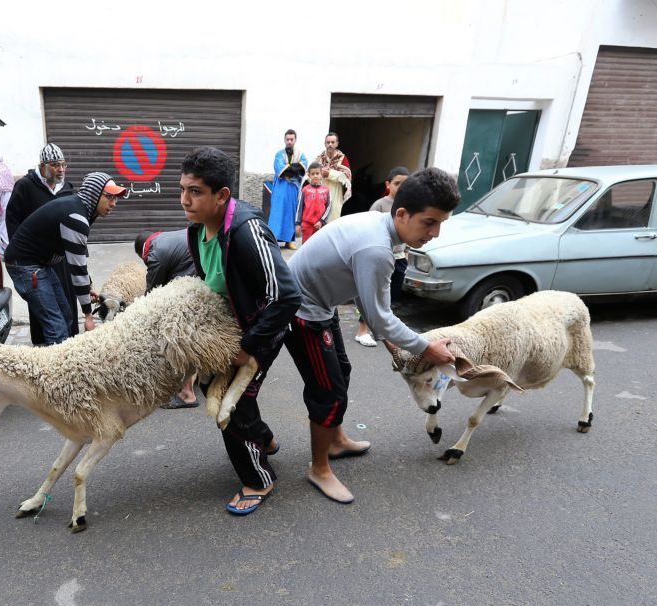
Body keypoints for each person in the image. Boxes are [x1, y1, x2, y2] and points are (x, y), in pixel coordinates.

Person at [283, 167, 460, 503]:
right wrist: (426, 348)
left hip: (322, 304)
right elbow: (379, 315)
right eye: (429, 222)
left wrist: (393, 341)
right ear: (403, 213)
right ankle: (319, 468)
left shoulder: (381, 227)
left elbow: (373, 302)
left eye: (441, 224)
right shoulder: (376, 249)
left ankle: (335, 441)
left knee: (341, 373)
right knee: (328, 392)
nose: (435, 233)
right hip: (302, 312)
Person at [180, 146, 302, 516]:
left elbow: (286, 295)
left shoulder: (247, 232)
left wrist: (249, 347)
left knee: (233, 403)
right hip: (236, 327)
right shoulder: (196, 231)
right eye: (183, 189)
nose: (185, 199)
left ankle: (258, 479)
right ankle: (264, 439)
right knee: (210, 386)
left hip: (266, 326)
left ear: (222, 196)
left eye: (196, 191)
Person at [4, 172, 127, 344]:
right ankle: (54, 368)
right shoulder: (76, 216)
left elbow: (76, 261)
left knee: (67, 315)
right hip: (24, 265)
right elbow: (77, 270)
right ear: (94, 193)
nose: (113, 203)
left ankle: (65, 359)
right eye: (109, 197)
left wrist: (87, 286)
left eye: (116, 198)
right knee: (56, 327)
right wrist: (88, 316)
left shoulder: (79, 209)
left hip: (40, 262)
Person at [3, 143, 77, 344]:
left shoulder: (67, 188)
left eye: (63, 165)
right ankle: (50, 346)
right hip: (33, 261)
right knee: (47, 310)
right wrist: (23, 252)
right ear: (42, 166)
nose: (61, 169)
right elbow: (12, 220)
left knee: (64, 308)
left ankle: (69, 343)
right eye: (55, 165)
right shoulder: (25, 187)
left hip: (59, 258)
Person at [135, 228, 198, 408]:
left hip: (195, 289)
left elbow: (152, 294)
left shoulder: (155, 253)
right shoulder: (170, 238)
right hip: (209, 274)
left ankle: (187, 394)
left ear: (142, 252)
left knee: (181, 337)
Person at [356, 166, 411, 345]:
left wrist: (407, 252)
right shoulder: (380, 205)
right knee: (373, 294)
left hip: (399, 258)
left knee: (390, 296)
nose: (401, 187)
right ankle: (362, 330)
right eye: (397, 183)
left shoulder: (410, 207)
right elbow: (368, 229)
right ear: (388, 184)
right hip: (381, 257)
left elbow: (410, 231)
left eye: (405, 184)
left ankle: (383, 329)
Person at [268, 129, 307, 249]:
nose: (289, 141)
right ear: (284, 140)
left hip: (293, 188)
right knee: (277, 212)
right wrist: (293, 167)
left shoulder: (300, 154)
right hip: (280, 187)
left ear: (295, 140)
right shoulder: (279, 154)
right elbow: (279, 168)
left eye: (292, 139)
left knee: (291, 213)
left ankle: (290, 240)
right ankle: (273, 239)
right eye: (287, 139)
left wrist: (290, 167)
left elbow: (303, 168)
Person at [314, 132, 352, 221]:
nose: (330, 144)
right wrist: (319, 174)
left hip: (335, 193)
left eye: (332, 142)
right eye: (328, 142)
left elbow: (347, 177)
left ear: (337, 144)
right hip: (320, 194)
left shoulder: (342, 158)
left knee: (332, 219)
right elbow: (309, 175)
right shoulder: (319, 158)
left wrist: (330, 174)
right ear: (325, 144)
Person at [294, 161, 332, 244]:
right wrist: (298, 223)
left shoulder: (326, 190)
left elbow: (329, 207)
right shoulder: (305, 190)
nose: (315, 176)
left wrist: (321, 221)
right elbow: (299, 207)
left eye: (317, 173)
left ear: (321, 174)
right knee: (306, 247)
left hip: (320, 225)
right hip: (307, 225)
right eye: (313, 174)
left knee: (319, 247)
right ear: (309, 175)